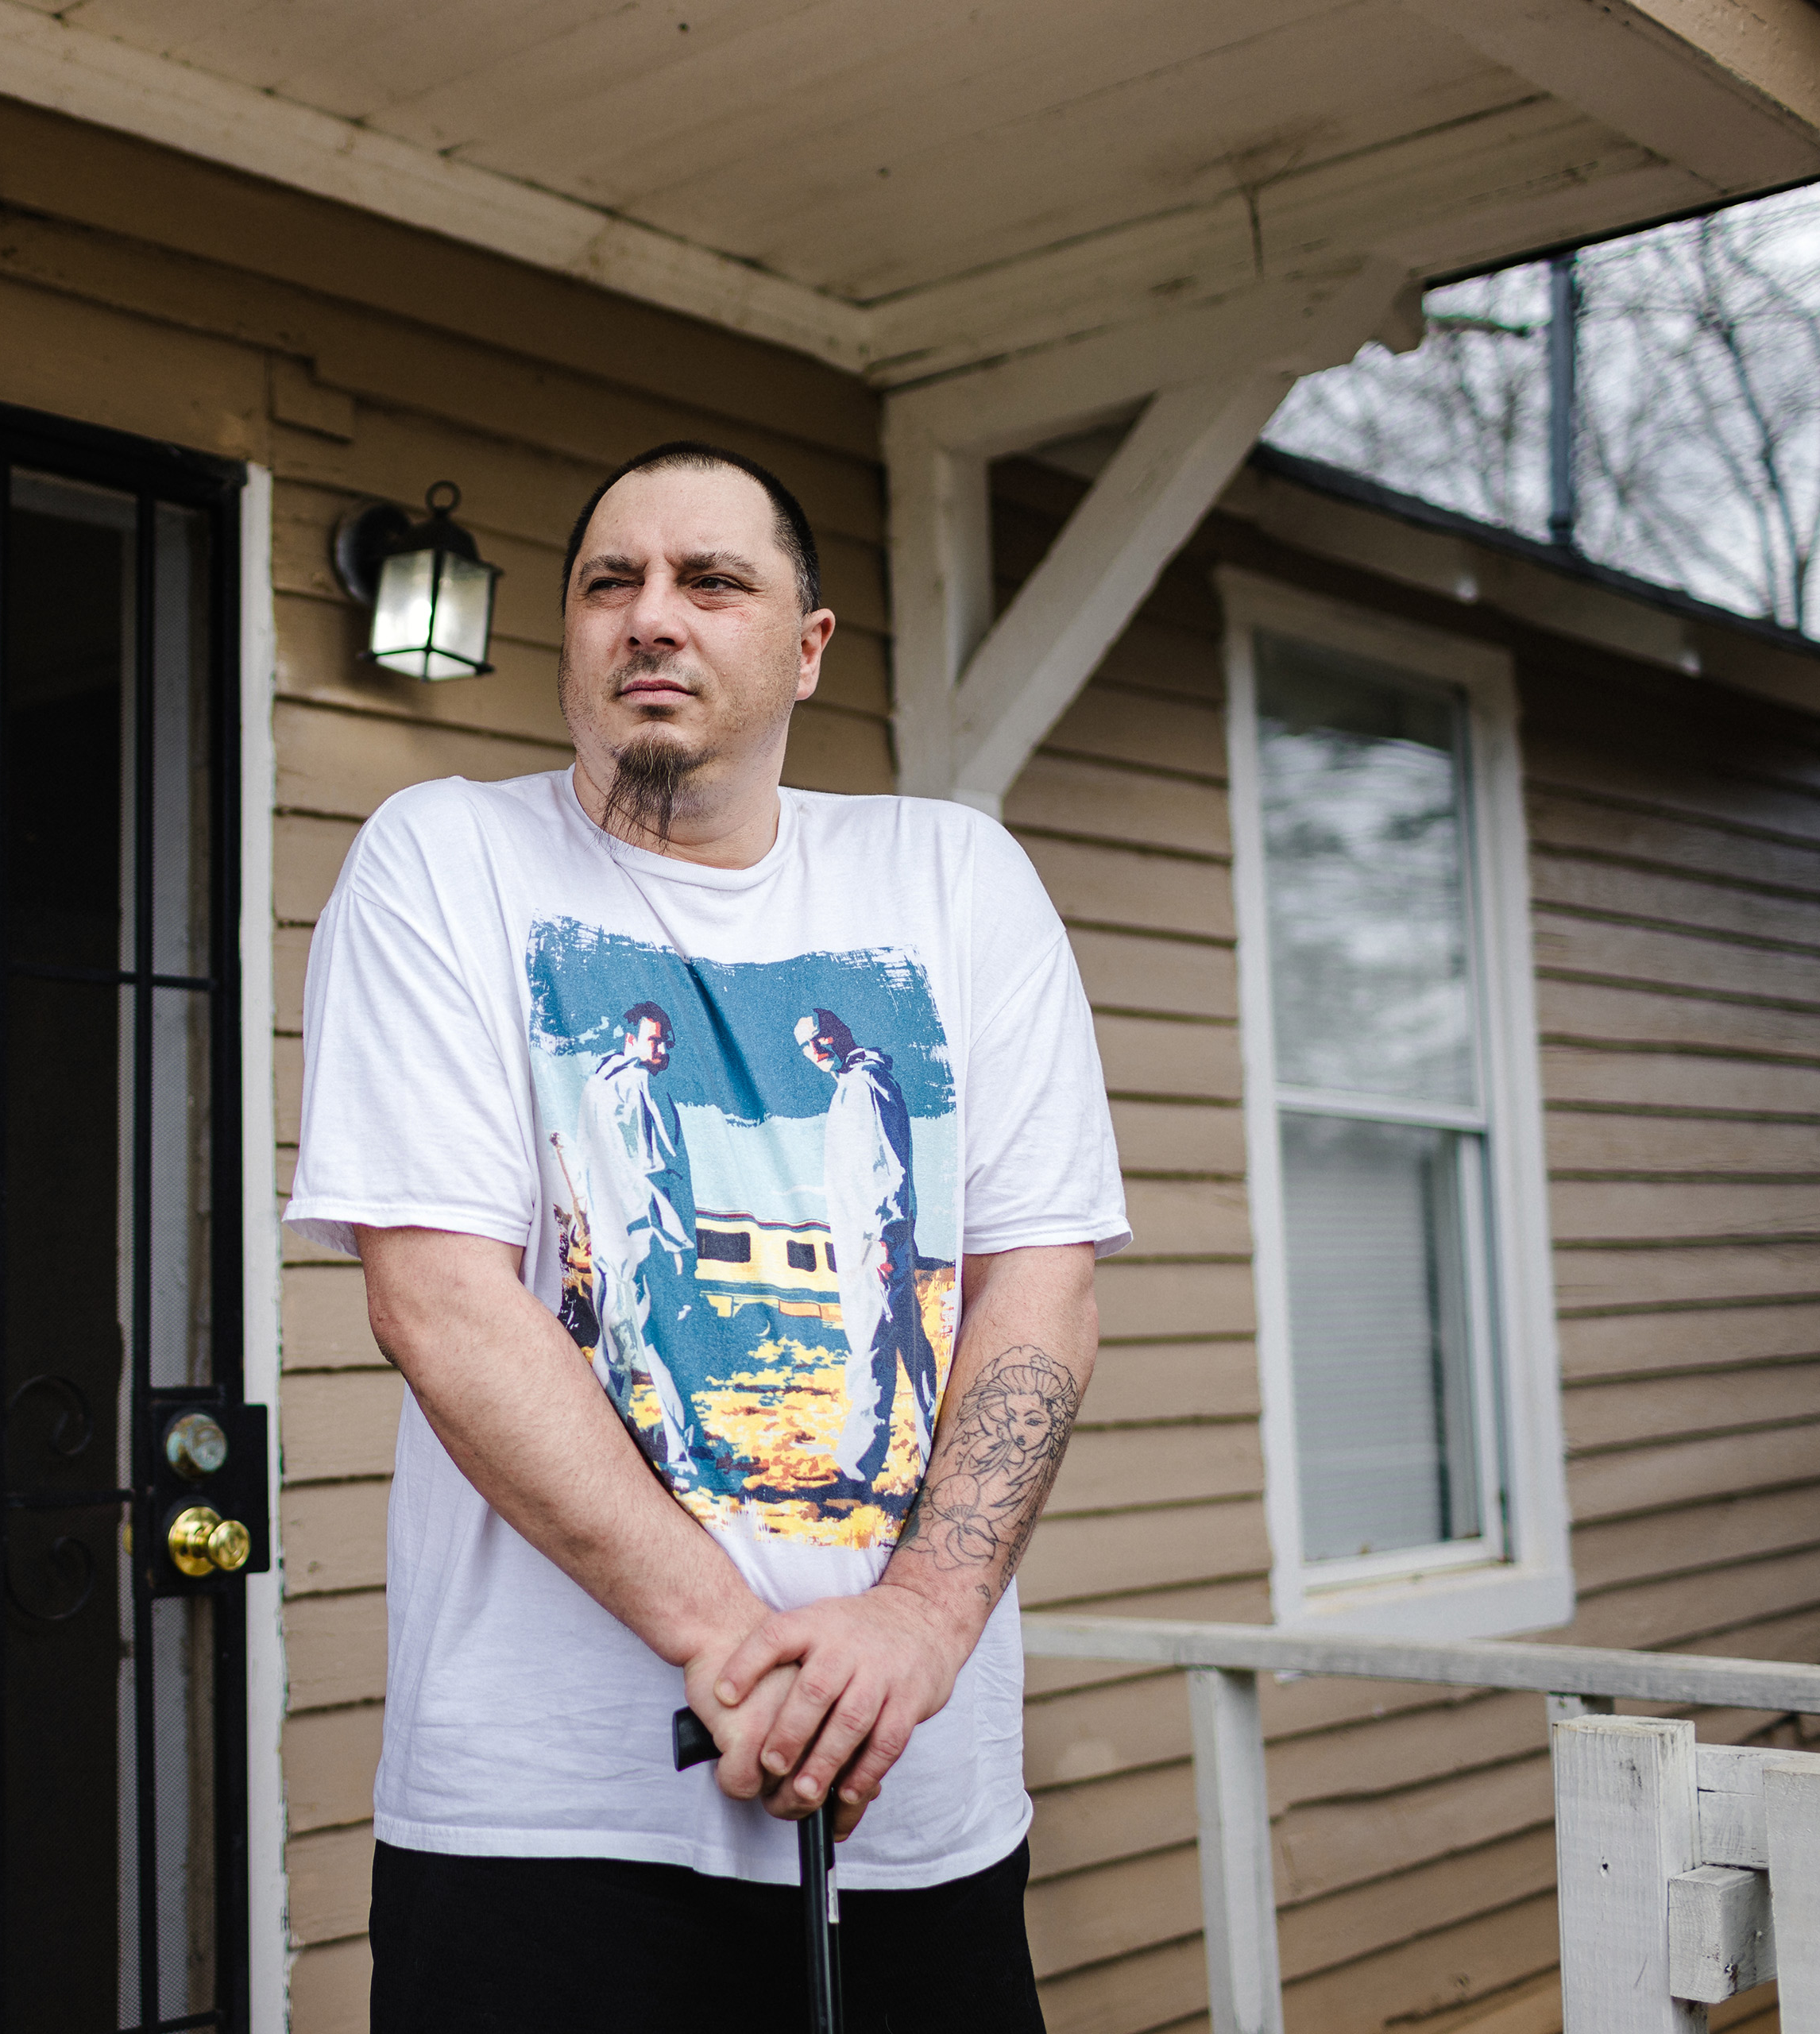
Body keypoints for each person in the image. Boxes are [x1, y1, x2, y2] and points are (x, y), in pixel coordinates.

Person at [284, 440, 1126, 2032]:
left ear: (807, 644)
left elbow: (1041, 1282)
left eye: (712, 579)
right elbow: (441, 1299)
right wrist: (744, 1648)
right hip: (544, 1821)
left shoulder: (954, 880)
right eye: (612, 582)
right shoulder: (447, 858)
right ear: (572, 642)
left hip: (914, 1793)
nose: (652, 616)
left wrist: (921, 1622)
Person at [797, 1007, 930, 1479]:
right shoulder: (856, 1086)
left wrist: (887, 1240)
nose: (813, 1052)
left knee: (871, 1347)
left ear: (838, 1032)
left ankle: (857, 1467)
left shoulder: (864, 1086)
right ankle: (934, 1443)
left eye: (818, 1039)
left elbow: (888, 1168)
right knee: (910, 1346)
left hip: (875, 1243)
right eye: (804, 1047)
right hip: (869, 1241)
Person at [574, 999, 702, 1471]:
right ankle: (682, 1448)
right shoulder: (636, 1085)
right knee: (655, 1340)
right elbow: (659, 1170)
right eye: (655, 1038)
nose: (664, 1047)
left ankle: (640, 1444)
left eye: (667, 1038)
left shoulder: (595, 1085)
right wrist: (675, 1242)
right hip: (642, 1235)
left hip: (610, 1235)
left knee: (619, 1342)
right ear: (630, 1038)